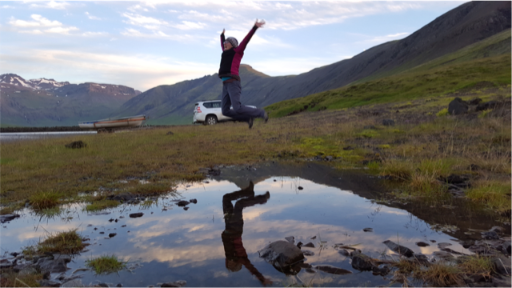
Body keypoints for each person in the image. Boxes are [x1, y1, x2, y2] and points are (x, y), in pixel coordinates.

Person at [221, 181, 273, 286]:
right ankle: (262, 199)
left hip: (228, 224)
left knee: (226, 198)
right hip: (235, 228)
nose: (229, 263)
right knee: (239, 204)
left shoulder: (228, 255)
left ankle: (248, 192)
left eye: (228, 264)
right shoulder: (241, 259)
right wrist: (262, 279)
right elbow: (251, 268)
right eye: (232, 265)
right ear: (236, 264)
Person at [219, 20, 269, 129]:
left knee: (237, 108)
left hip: (233, 83)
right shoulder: (225, 52)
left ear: (232, 44)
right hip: (225, 84)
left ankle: (260, 113)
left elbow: (246, 40)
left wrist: (254, 28)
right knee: (225, 111)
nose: (224, 44)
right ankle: (247, 119)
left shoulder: (237, 51)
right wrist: (222, 35)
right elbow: (222, 43)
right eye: (224, 43)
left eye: (227, 42)